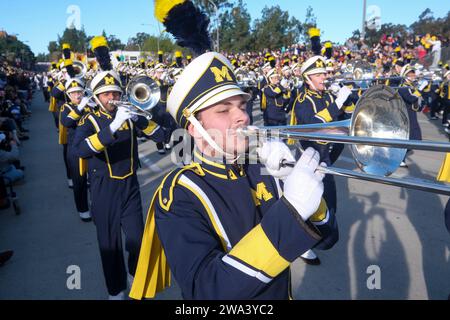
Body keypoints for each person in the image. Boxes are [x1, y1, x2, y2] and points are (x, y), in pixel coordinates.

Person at [130, 52, 338, 300]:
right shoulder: (180, 193)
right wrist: (290, 211)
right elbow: (206, 289)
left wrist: (306, 195)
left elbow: (327, 241)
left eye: (241, 106)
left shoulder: (262, 167)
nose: (243, 116)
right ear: (194, 128)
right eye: (223, 110)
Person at [74, 36, 165, 299]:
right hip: (104, 190)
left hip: (130, 187)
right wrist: (113, 127)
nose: (112, 97)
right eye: (106, 94)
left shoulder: (128, 113)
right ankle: (116, 290)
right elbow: (81, 149)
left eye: (115, 92)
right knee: (109, 245)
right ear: (97, 96)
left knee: (138, 239)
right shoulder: (89, 120)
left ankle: (135, 275)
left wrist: (141, 120)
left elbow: (161, 137)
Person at [59, 77, 93, 222]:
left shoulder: (89, 105)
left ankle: (97, 205)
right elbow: (66, 122)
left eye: (79, 92)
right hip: (75, 149)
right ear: (68, 95)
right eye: (73, 93)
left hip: (92, 146)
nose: (77, 95)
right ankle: (83, 209)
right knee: (79, 181)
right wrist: (80, 108)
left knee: (94, 179)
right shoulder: (66, 107)